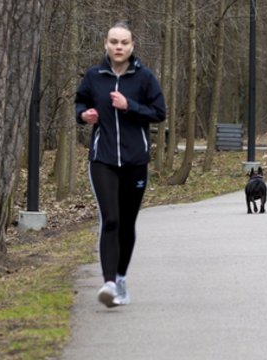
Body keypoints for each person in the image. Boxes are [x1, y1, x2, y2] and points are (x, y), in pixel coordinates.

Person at [75, 21, 166, 307]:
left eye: (124, 42)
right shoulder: (94, 76)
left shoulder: (144, 77)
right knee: (110, 220)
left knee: (127, 223)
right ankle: (109, 284)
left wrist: (130, 107)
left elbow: (159, 112)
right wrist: (83, 115)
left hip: (135, 160)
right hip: (102, 159)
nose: (118, 47)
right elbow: (80, 102)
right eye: (114, 41)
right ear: (105, 44)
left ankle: (122, 278)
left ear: (132, 46)